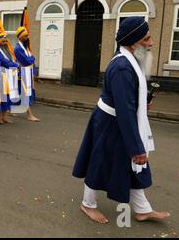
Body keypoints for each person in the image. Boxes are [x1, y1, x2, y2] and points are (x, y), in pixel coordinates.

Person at [73, 17, 171, 224]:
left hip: (117, 121)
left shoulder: (130, 59)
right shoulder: (122, 68)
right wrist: (137, 148)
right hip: (110, 124)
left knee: (131, 165)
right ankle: (87, 204)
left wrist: (141, 103)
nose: (151, 43)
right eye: (146, 39)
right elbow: (125, 110)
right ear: (133, 42)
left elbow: (128, 98)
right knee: (100, 162)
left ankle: (143, 209)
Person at [14, 26, 40, 122]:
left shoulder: (25, 47)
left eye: (27, 36)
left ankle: (12, 109)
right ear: (20, 37)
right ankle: (30, 114)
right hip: (23, 72)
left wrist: (31, 59)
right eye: (25, 36)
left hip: (28, 72)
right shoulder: (18, 48)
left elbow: (29, 60)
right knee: (25, 93)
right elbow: (27, 61)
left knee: (21, 92)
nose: (27, 37)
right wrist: (32, 58)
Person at [0, 33, 19, 124]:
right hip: (3, 76)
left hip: (10, 76)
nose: (5, 43)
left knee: (8, 97)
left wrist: (14, 64)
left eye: (6, 41)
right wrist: (15, 65)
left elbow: (11, 61)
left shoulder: (8, 50)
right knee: (2, 98)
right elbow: (6, 62)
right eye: (3, 41)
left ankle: (4, 116)